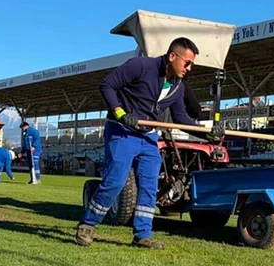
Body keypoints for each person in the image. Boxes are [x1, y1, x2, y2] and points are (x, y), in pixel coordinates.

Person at [75, 37, 224, 249]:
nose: (189, 68)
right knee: (115, 182)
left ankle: (142, 235)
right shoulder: (140, 66)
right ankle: (87, 225)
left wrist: (206, 134)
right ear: (173, 56)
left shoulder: (178, 88)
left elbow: (181, 119)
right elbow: (107, 85)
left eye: (192, 64)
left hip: (148, 137)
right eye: (187, 63)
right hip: (122, 131)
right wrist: (120, 113)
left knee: (149, 186)